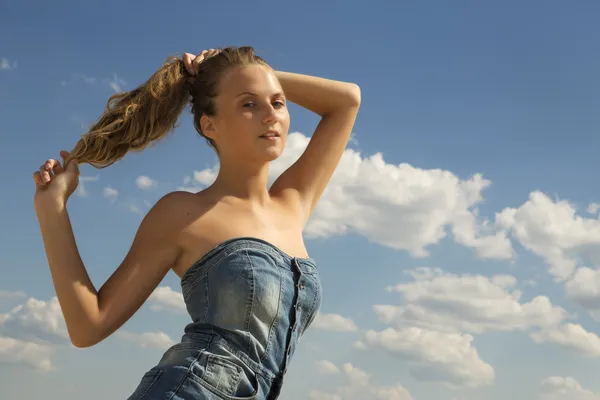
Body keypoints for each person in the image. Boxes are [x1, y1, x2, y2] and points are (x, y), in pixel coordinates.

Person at [32, 46, 361, 399]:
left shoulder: (292, 203)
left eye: (278, 103)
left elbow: (346, 101)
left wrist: (249, 74)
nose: (270, 115)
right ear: (210, 125)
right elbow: (88, 326)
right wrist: (53, 212)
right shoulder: (182, 213)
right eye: (249, 104)